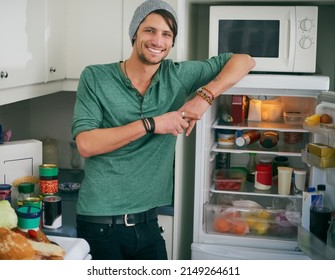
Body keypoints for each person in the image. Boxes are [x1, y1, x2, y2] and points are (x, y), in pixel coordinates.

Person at [71, 0, 255, 260]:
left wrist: (204, 97)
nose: (158, 40)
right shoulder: (96, 77)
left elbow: (244, 60)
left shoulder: (177, 75)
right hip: (99, 223)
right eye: (150, 30)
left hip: (148, 223)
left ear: (171, 42)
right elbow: (86, 144)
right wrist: (152, 123)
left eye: (166, 34)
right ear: (135, 32)